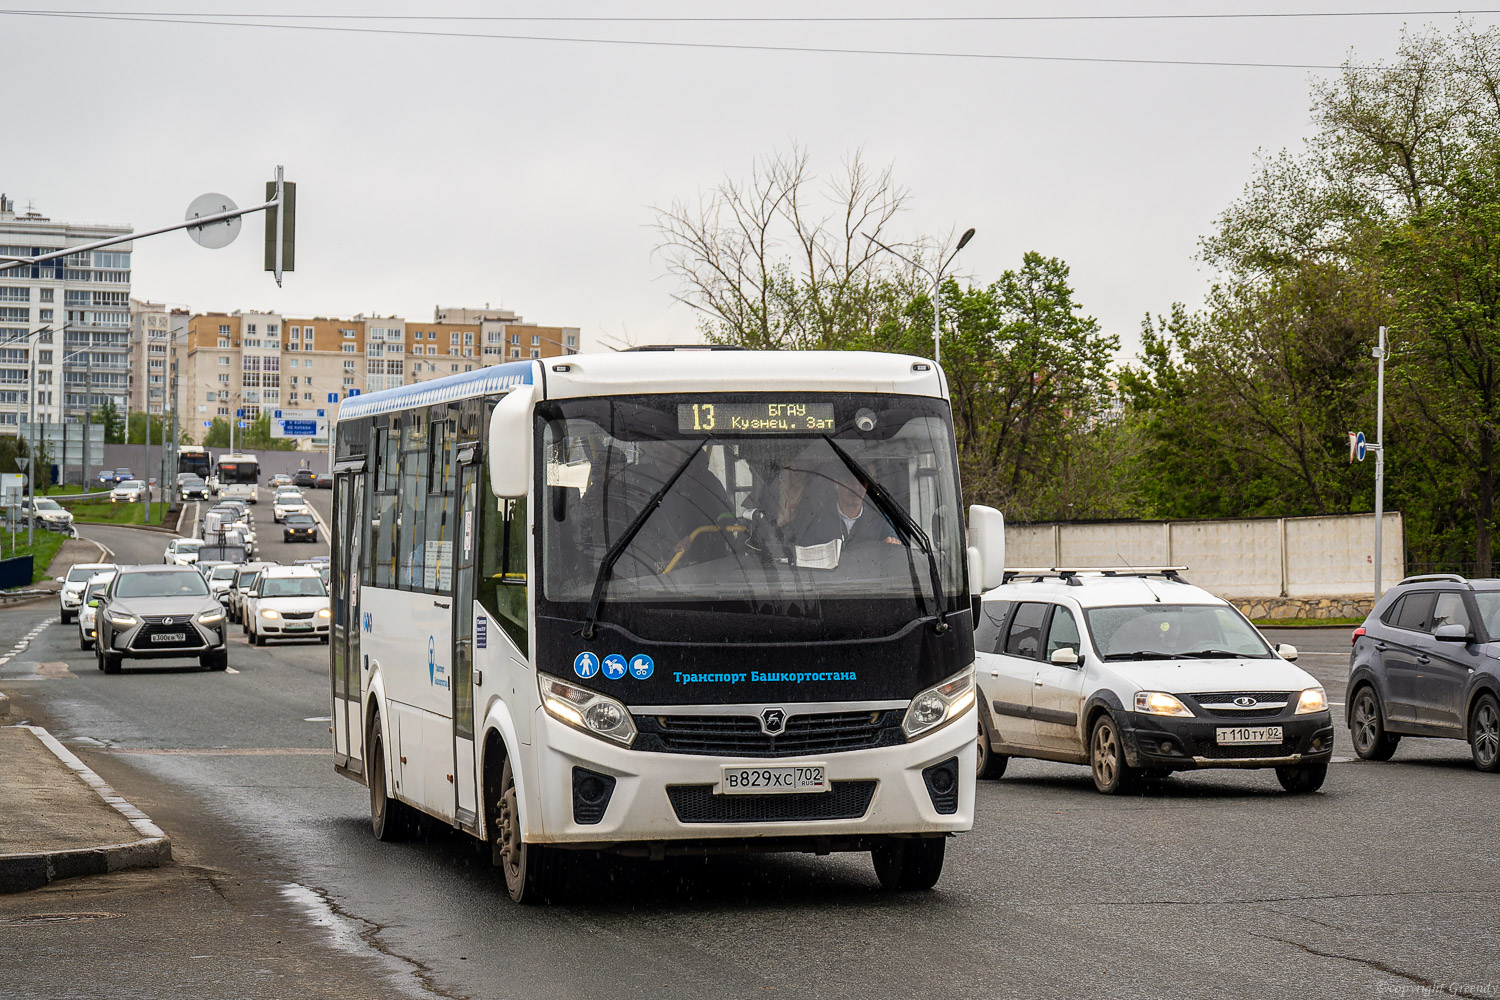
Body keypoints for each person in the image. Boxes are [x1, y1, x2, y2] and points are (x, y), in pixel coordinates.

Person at [794, 468, 900, 549]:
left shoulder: (879, 520)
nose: (856, 488)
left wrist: (892, 544)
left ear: (867, 486)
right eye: (849, 482)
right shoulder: (817, 520)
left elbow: (894, 550)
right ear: (836, 484)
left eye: (861, 483)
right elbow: (803, 555)